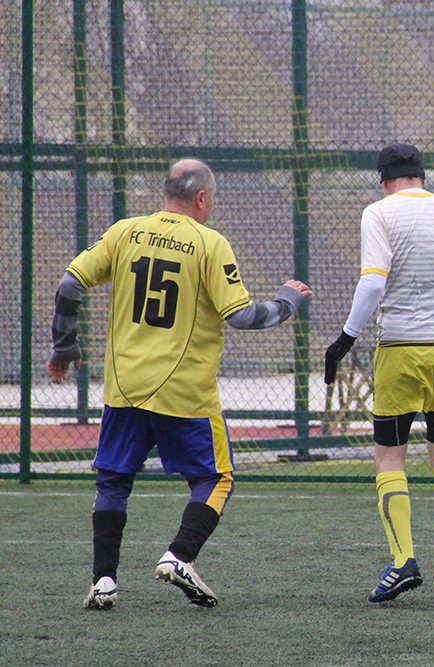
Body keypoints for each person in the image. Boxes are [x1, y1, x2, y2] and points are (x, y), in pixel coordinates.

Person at [47, 158, 312, 609]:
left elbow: (70, 284)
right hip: (183, 391)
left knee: (113, 483)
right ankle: (179, 556)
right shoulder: (209, 243)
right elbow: (242, 315)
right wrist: (287, 301)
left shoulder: (125, 232)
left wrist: (64, 346)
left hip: (124, 386)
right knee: (216, 479)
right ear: (202, 197)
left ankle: (103, 582)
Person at [323, 143, 434, 603]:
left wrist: (345, 339)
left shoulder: (379, 212)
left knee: (389, 458)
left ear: (383, 180)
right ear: (422, 175)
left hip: (402, 348)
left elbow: (373, 281)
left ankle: (403, 561)